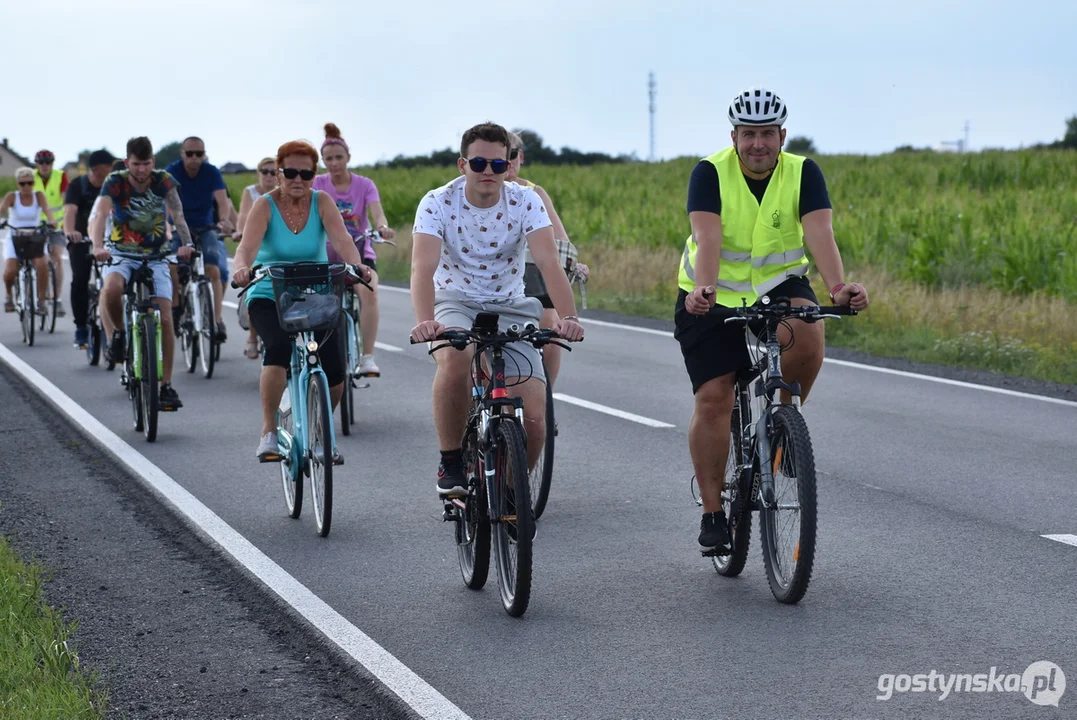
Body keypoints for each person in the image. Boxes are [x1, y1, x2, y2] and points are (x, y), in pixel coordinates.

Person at [675, 88, 869, 554]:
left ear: (782, 135)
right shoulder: (710, 172)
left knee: (809, 333)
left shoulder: (803, 172)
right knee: (715, 398)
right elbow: (708, 236)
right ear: (734, 136)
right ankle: (712, 510)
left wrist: (839, 288)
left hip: (779, 283)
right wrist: (703, 290)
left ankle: (782, 429)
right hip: (712, 291)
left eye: (766, 134)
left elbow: (819, 232)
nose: (757, 144)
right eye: (748, 135)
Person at [409, 122, 584, 497]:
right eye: (479, 164)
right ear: (462, 165)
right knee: (456, 361)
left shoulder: (527, 200)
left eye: (498, 165)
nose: (488, 172)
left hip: (512, 304)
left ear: (509, 165)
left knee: (535, 421)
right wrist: (425, 321)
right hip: (453, 299)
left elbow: (550, 263)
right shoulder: (437, 202)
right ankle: (451, 459)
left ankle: (508, 497)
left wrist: (568, 317)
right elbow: (421, 268)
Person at [232, 140, 371, 461]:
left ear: (314, 174)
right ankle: (268, 432)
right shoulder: (264, 205)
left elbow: (342, 239)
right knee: (278, 348)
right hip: (270, 291)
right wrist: (242, 269)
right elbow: (247, 249)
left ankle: (320, 429)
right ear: (279, 173)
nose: (298, 179)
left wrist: (357, 265)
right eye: (290, 172)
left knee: (336, 372)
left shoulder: (321, 201)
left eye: (305, 173)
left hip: (316, 292)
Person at [91, 136, 195, 411]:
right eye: (136, 164)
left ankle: (166, 385)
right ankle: (117, 335)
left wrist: (187, 244)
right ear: (128, 162)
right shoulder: (115, 181)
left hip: (157, 255)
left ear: (153, 162)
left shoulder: (164, 181)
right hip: (121, 253)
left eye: (146, 164)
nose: (141, 170)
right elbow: (100, 214)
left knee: (165, 314)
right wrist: (98, 246)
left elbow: (178, 213)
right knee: (111, 288)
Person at [507, 130, 590, 390]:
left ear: (520, 157)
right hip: (490, 280)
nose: (504, 163)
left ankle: (546, 396)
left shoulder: (534, 193)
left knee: (552, 326)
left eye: (510, 155)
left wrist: (574, 263)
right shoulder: (476, 191)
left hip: (531, 279)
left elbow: (560, 240)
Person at [313, 123, 395, 377]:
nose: (335, 163)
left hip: (360, 255)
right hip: (324, 257)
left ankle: (367, 356)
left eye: (339, 157)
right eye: (329, 159)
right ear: (322, 161)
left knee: (369, 289)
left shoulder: (364, 185)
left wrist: (382, 227)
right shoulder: (317, 183)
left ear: (348, 158)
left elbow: (377, 213)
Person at [164, 137, 235, 343]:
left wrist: (223, 220)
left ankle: (216, 320)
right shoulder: (172, 171)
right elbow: (167, 202)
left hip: (205, 226)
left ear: (204, 154)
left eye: (199, 154)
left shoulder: (211, 171)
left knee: (214, 269)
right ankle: (177, 304)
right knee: (172, 263)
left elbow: (223, 201)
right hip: (179, 225)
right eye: (190, 154)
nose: (195, 158)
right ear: (182, 154)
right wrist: (168, 226)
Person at [63, 149, 115, 348]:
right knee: (80, 278)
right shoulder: (78, 185)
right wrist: (70, 232)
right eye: (108, 166)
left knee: (116, 279)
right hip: (81, 238)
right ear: (96, 169)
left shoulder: (113, 186)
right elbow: (70, 211)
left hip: (108, 238)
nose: (111, 170)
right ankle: (81, 328)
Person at [234, 156, 278, 359]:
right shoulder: (250, 193)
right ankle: (252, 337)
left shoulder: (283, 194)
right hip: (256, 244)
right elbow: (243, 216)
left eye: (274, 172)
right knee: (254, 287)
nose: (269, 176)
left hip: (276, 246)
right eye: (265, 171)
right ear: (258, 173)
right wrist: (241, 232)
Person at [2, 167, 55, 314]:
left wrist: (51, 221)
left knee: (43, 264)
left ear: (34, 183)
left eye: (30, 183)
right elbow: (2, 209)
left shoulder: (39, 196)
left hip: (34, 236)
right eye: (22, 183)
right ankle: (9, 295)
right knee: (11, 270)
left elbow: (47, 211)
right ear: (17, 184)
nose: (26, 186)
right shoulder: (12, 196)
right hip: (15, 236)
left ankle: (41, 301)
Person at [32, 150, 70, 316]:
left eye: (48, 162)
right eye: (41, 163)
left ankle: (57, 298)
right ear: (37, 164)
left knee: (57, 259)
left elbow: (66, 200)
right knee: (39, 260)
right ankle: (39, 295)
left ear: (52, 163)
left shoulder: (60, 176)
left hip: (57, 224)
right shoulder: (30, 177)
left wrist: (66, 224)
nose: (45, 166)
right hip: (35, 224)